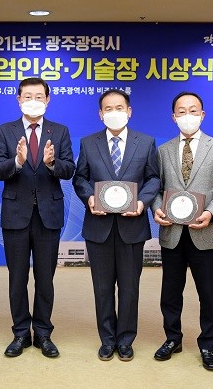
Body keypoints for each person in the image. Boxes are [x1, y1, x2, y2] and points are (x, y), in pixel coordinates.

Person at [73, 89, 160, 361]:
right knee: (102, 288)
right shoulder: (89, 143)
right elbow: (80, 178)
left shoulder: (145, 142)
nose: (114, 112)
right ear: (100, 114)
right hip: (98, 226)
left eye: (119, 107)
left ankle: (125, 340)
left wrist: (142, 202)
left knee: (129, 287)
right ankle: (107, 339)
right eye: (108, 109)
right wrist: (89, 197)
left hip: (132, 227)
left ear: (129, 111)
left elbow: (154, 179)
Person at [151, 92, 213, 371]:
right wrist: (156, 208)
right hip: (172, 233)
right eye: (182, 111)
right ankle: (172, 339)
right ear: (174, 117)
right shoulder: (163, 150)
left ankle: (208, 345)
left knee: (208, 294)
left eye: (193, 110)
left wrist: (211, 213)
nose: (188, 115)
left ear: (202, 114)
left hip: (205, 233)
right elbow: (156, 189)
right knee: (170, 292)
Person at [0, 77, 75, 358]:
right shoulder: (5, 131)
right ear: (18, 99)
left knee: (45, 278)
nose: (33, 101)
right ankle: (20, 333)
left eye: (39, 96)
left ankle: (43, 333)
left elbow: (69, 169)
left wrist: (52, 163)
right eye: (27, 96)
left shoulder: (60, 131)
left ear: (48, 99)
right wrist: (17, 161)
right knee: (17, 278)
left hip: (48, 215)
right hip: (16, 214)